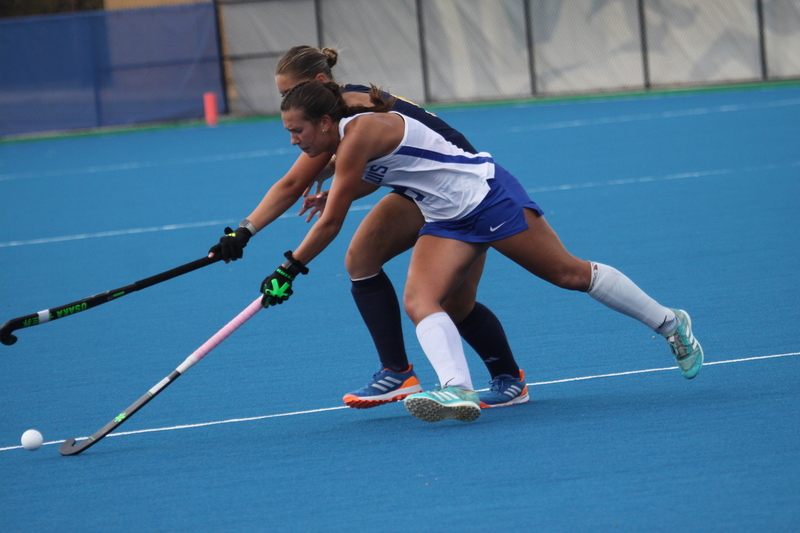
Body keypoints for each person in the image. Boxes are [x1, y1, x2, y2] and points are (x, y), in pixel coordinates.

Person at [259, 80, 704, 424]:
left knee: (568, 274)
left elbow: (332, 221)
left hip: (487, 197)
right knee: (423, 301)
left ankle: (670, 322)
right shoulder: (343, 138)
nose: (294, 142)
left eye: (296, 131)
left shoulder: (358, 133)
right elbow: (393, 169)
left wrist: (289, 268)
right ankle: (457, 389)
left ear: (321, 121)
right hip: (445, 218)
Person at [209, 46, 529, 410]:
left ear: (318, 82)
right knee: (362, 259)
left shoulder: (348, 107)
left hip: (462, 190)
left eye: (290, 92)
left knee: (457, 302)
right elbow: (382, 167)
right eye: (283, 96)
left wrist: (283, 262)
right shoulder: (334, 109)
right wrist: (243, 232)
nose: (289, 101)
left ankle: (505, 379)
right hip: (419, 190)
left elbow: (296, 183)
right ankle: (397, 372)